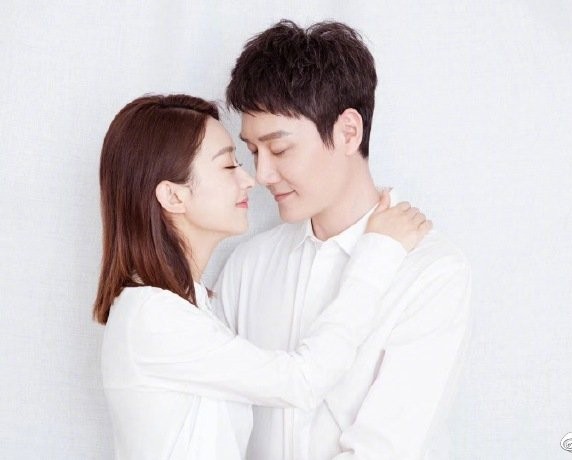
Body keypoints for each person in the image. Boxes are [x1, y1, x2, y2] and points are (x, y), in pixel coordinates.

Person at [93, 94, 431, 459]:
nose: (251, 179)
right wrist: (376, 255)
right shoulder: (154, 317)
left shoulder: (187, 307)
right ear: (174, 197)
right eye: (228, 165)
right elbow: (303, 381)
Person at [215, 20, 472, 460]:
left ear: (348, 132)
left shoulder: (432, 273)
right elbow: (215, 426)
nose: (262, 175)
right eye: (253, 152)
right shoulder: (248, 265)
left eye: (279, 149)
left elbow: (382, 450)